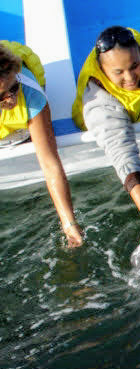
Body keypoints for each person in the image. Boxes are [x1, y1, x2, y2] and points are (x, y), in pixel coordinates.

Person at [71, 26, 140, 248]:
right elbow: (124, 158)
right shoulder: (99, 104)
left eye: (135, 66)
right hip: (113, 123)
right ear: (103, 70)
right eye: (118, 73)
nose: (130, 76)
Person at [0, 42, 83, 247]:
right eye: (1, 97)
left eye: (13, 88)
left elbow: (50, 165)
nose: (11, 99)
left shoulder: (30, 95)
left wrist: (69, 224)